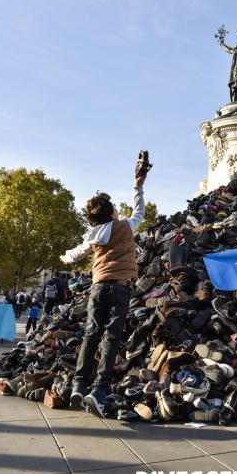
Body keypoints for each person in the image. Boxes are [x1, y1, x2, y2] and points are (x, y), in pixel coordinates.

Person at [59, 171, 147, 418]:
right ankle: (98, 391)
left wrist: (64, 256)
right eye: (116, 210)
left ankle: (78, 385)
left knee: (90, 335)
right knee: (111, 337)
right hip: (120, 287)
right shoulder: (125, 226)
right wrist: (137, 186)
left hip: (98, 287)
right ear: (111, 214)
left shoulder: (93, 234)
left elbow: (76, 254)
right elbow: (139, 211)